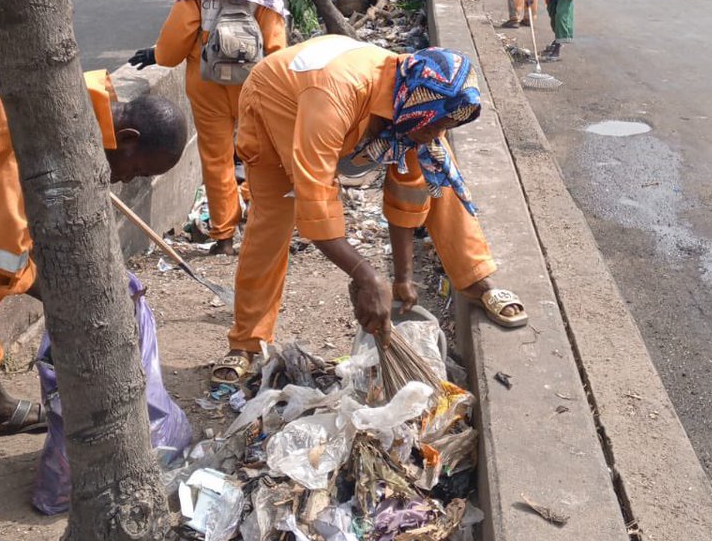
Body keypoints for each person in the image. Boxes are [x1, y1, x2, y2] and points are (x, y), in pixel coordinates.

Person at [0, 57, 187, 541]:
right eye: (136, 170)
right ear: (127, 138)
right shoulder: (34, 123)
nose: (126, 180)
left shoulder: (80, 102)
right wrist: (80, 299)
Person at [209, 38, 527, 384]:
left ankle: (475, 278)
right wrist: (367, 276)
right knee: (273, 217)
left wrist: (402, 278)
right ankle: (246, 341)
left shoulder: (414, 96)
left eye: (444, 124)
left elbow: (408, 188)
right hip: (276, 100)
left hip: (342, 106)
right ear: (414, 104)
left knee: (435, 165)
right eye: (434, 124)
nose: (437, 131)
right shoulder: (338, 97)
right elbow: (317, 198)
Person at [129, 0, 287, 256]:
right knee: (259, 155)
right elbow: (276, 49)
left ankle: (224, 237)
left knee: (216, 158)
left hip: (206, 85)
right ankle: (261, 227)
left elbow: (172, 48)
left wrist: (155, 54)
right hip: (253, 86)